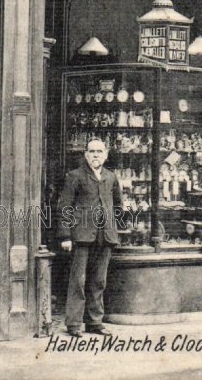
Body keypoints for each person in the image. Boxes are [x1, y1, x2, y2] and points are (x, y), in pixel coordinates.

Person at [57, 138, 123, 337]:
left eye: (99, 151)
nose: (96, 155)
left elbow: (118, 206)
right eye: (92, 151)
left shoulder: (111, 177)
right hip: (82, 236)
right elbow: (64, 208)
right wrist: (65, 236)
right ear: (86, 154)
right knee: (78, 281)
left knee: (99, 281)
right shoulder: (75, 176)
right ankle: (74, 324)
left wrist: (115, 229)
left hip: (105, 237)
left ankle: (94, 322)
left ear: (106, 155)